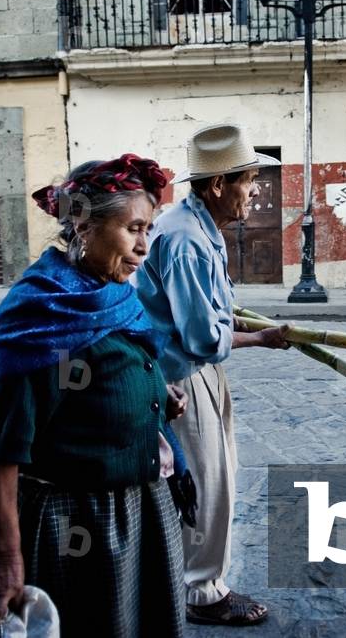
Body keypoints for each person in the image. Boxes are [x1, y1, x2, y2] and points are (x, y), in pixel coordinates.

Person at [0, 156, 186, 636]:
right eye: (133, 228)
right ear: (84, 223)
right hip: (80, 524)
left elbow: (117, 365)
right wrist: (6, 559)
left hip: (140, 508)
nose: (143, 246)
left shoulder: (109, 294)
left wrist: (154, 394)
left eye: (147, 229)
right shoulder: (36, 318)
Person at [136, 123, 290, 627]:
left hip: (199, 371)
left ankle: (195, 580)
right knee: (207, 484)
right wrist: (259, 339)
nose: (257, 189)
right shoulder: (187, 240)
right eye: (249, 179)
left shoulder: (197, 225)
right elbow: (203, 338)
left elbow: (211, 309)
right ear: (219, 184)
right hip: (183, 376)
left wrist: (237, 319)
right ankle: (203, 594)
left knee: (215, 476)